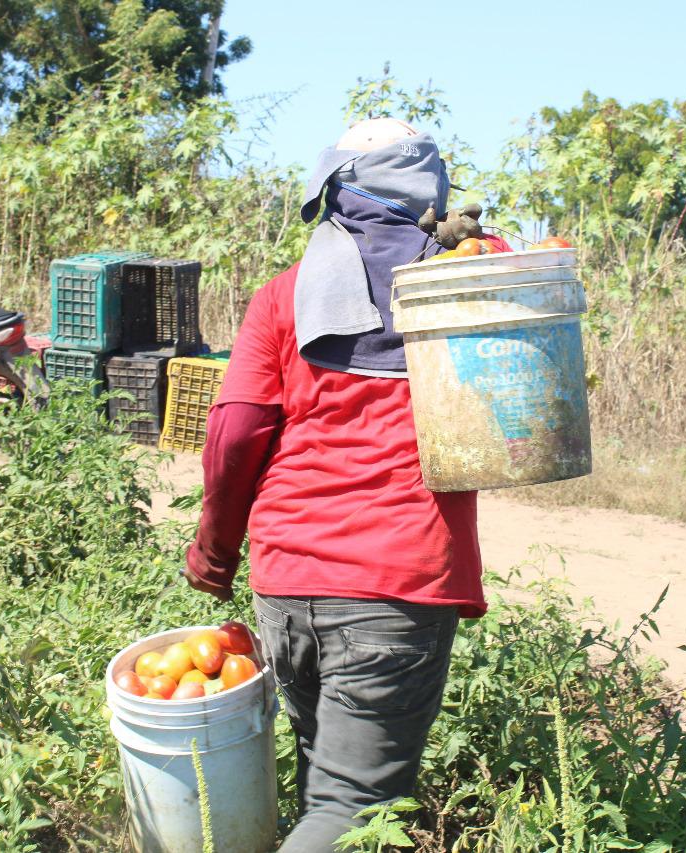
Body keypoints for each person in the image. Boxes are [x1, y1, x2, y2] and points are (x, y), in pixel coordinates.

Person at [183, 117, 506, 850]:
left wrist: (214, 551)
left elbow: (235, 434)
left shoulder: (286, 297)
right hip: (398, 582)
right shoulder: (467, 288)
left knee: (323, 791)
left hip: (288, 584)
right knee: (349, 810)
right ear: (432, 189)